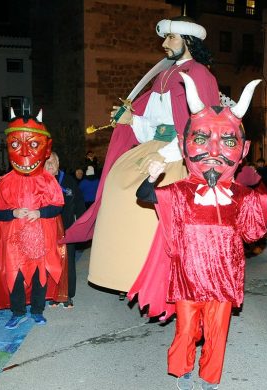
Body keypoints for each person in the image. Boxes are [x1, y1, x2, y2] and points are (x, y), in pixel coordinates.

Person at [130, 74, 267, 390]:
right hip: (188, 277)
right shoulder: (180, 191)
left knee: (218, 331)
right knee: (186, 329)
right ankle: (182, 371)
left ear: (243, 149)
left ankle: (209, 378)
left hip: (223, 277)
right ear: (184, 143)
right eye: (202, 139)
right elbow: (145, 196)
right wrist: (152, 177)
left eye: (228, 141)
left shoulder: (240, 194)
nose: (214, 150)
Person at [63, 16, 219, 296]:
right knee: (116, 184)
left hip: (182, 153)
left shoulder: (200, 75)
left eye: (170, 38)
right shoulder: (163, 76)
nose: (164, 43)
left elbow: (202, 126)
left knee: (159, 200)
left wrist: (174, 152)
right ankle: (128, 273)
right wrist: (131, 121)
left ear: (188, 41)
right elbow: (152, 126)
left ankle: (165, 280)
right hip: (155, 147)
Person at [0, 110, 65, 329]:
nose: (23, 152)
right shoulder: (5, 182)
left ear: (45, 148)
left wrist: (40, 213)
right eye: (15, 145)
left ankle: (38, 311)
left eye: (32, 145)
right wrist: (12, 213)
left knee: (41, 275)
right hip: (14, 244)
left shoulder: (48, 181)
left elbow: (57, 206)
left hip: (40, 239)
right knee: (16, 277)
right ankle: (18, 311)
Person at [45, 152, 86, 308]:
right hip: (47, 229)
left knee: (68, 262)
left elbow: (80, 203)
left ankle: (67, 294)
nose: (50, 164)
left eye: (53, 161)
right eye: (46, 162)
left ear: (58, 162)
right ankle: (54, 294)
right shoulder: (40, 181)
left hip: (67, 228)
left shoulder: (68, 181)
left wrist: (81, 225)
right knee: (51, 262)